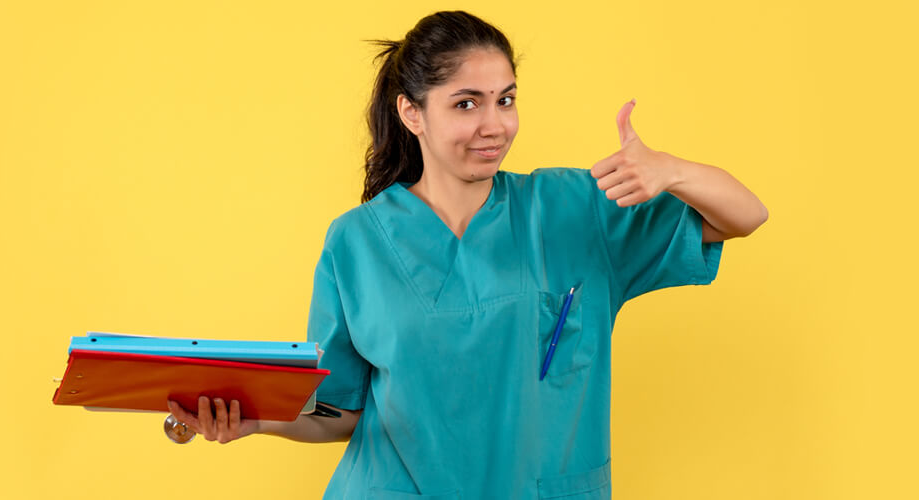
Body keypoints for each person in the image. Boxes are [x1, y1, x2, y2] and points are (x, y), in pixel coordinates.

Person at [169, 10, 768, 499]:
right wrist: (253, 421)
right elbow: (342, 410)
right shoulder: (355, 241)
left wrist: (672, 170)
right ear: (412, 113)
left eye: (506, 100)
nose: (495, 125)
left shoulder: (572, 210)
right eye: (466, 103)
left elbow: (744, 216)